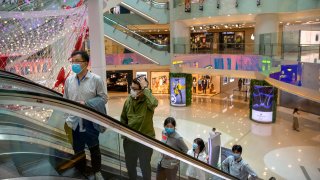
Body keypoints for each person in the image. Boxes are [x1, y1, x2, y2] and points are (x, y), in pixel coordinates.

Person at [64, 51, 107, 179]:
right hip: (74, 121)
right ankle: (81, 172)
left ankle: (97, 171)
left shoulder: (95, 79)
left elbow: (104, 98)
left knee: (94, 148)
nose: (74, 64)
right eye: (72, 61)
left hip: (90, 121)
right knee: (78, 150)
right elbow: (65, 100)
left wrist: (87, 103)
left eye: (77, 61)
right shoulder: (69, 80)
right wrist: (66, 119)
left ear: (86, 63)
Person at [120, 76, 158, 180]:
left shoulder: (147, 101)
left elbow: (154, 103)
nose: (132, 91)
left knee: (145, 166)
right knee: (130, 165)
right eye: (131, 88)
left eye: (135, 89)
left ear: (142, 90)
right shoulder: (128, 100)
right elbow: (123, 118)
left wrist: (146, 89)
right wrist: (125, 135)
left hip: (145, 140)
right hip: (130, 141)